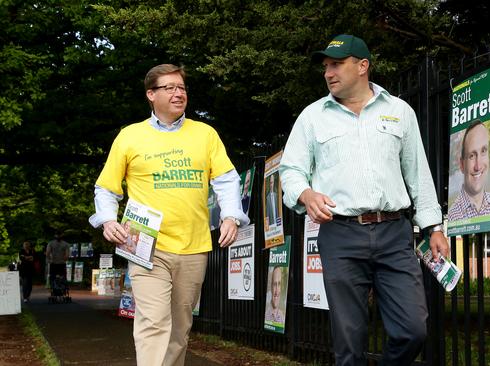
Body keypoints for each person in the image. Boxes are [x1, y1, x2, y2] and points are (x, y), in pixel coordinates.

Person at [279, 34, 449, 365]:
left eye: (337, 64)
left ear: (362, 66)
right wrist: (306, 192)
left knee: (413, 329)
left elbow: (418, 174)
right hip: (340, 235)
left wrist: (434, 227)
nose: (329, 72)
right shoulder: (312, 117)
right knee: (349, 342)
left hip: (395, 233)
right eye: (326, 66)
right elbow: (291, 171)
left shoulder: (400, 111)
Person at [88, 64, 249, 366]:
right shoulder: (129, 136)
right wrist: (108, 220)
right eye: (170, 88)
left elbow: (227, 180)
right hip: (146, 245)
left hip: (194, 246)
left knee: (180, 327)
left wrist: (230, 216)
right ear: (151, 94)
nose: (179, 93)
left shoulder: (205, 134)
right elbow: (107, 189)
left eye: (182, 88)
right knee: (153, 321)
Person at [447, 120, 490, 221]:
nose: (478, 166)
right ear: (461, 164)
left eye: (483, 151)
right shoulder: (453, 216)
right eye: (471, 155)